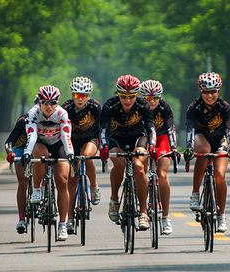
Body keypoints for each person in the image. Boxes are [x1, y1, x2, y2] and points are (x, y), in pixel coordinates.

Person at [7, 85, 75, 241]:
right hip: (41, 143)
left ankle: (62, 225)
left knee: (62, 180)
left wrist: (70, 153)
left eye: (53, 102)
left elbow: (66, 137)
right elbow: (31, 137)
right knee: (41, 154)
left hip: (58, 144)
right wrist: (26, 153)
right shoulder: (33, 113)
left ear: (57, 103)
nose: (49, 106)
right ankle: (36, 190)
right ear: (39, 102)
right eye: (45, 102)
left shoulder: (62, 113)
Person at [99, 74, 158, 230]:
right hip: (116, 139)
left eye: (131, 96)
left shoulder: (143, 105)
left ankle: (143, 212)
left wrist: (152, 146)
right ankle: (114, 199)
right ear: (117, 93)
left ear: (136, 94)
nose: (127, 100)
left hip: (138, 138)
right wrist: (103, 146)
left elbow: (151, 127)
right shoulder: (110, 106)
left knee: (139, 166)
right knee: (119, 163)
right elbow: (104, 129)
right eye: (123, 96)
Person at [183, 72, 230, 233]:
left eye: (213, 91)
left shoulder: (224, 107)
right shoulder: (194, 107)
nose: (209, 95)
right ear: (200, 91)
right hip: (200, 138)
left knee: (220, 176)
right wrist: (188, 148)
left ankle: (221, 215)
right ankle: (195, 193)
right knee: (204, 150)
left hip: (219, 140)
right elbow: (190, 130)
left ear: (218, 91)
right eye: (206, 92)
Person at [61, 76, 102, 233]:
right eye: (77, 95)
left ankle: (93, 187)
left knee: (86, 156)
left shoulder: (95, 106)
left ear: (89, 95)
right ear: (72, 94)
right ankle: (70, 220)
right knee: (71, 182)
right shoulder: (66, 107)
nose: (80, 99)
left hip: (90, 138)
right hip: (71, 141)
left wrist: (102, 144)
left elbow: (100, 128)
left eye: (84, 95)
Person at [139, 80, 178, 235]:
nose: (152, 101)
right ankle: (140, 203)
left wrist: (173, 147)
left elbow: (170, 128)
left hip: (161, 140)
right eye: (148, 98)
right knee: (140, 170)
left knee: (162, 175)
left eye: (155, 97)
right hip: (143, 139)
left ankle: (166, 217)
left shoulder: (164, 107)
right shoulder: (138, 107)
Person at [5, 113, 31, 235]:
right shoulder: (23, 122)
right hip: (20, 146)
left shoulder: (50, 120)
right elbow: (9, 142)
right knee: (23, 181)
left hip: (37, 147)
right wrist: (10, 152)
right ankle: (21, 219)